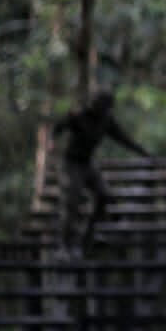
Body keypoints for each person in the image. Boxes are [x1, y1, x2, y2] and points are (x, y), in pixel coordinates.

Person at [53, 89, 150, 255]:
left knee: (104, 195)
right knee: (73, 202)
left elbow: (123, 138)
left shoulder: (106, 120)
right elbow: (59, 127)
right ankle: (64, 245)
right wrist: (53, 139)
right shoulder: (80, 115)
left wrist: (144, 152)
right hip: (73, 163)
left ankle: (88, 236)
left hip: (88, 163)